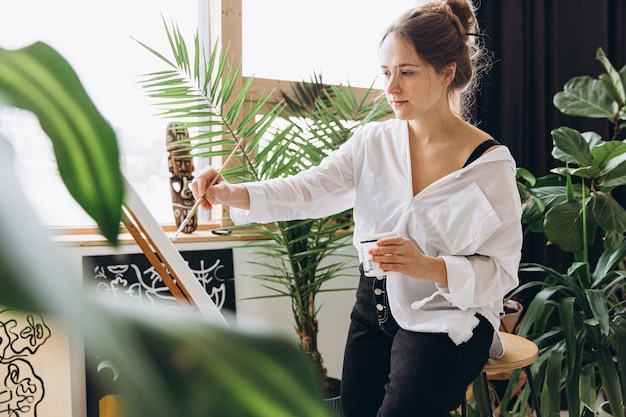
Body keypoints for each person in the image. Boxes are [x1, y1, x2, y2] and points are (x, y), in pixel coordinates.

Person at [191, 0, 523, 415]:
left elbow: (502, 270)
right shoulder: (372, 143)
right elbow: (308, 190)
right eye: (386, 73)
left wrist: (429, 267)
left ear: (447, 72)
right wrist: (230, 194)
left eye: (406, 72)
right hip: (374, 308)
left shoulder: (488, 165)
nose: (391, 88)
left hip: (446, 317)